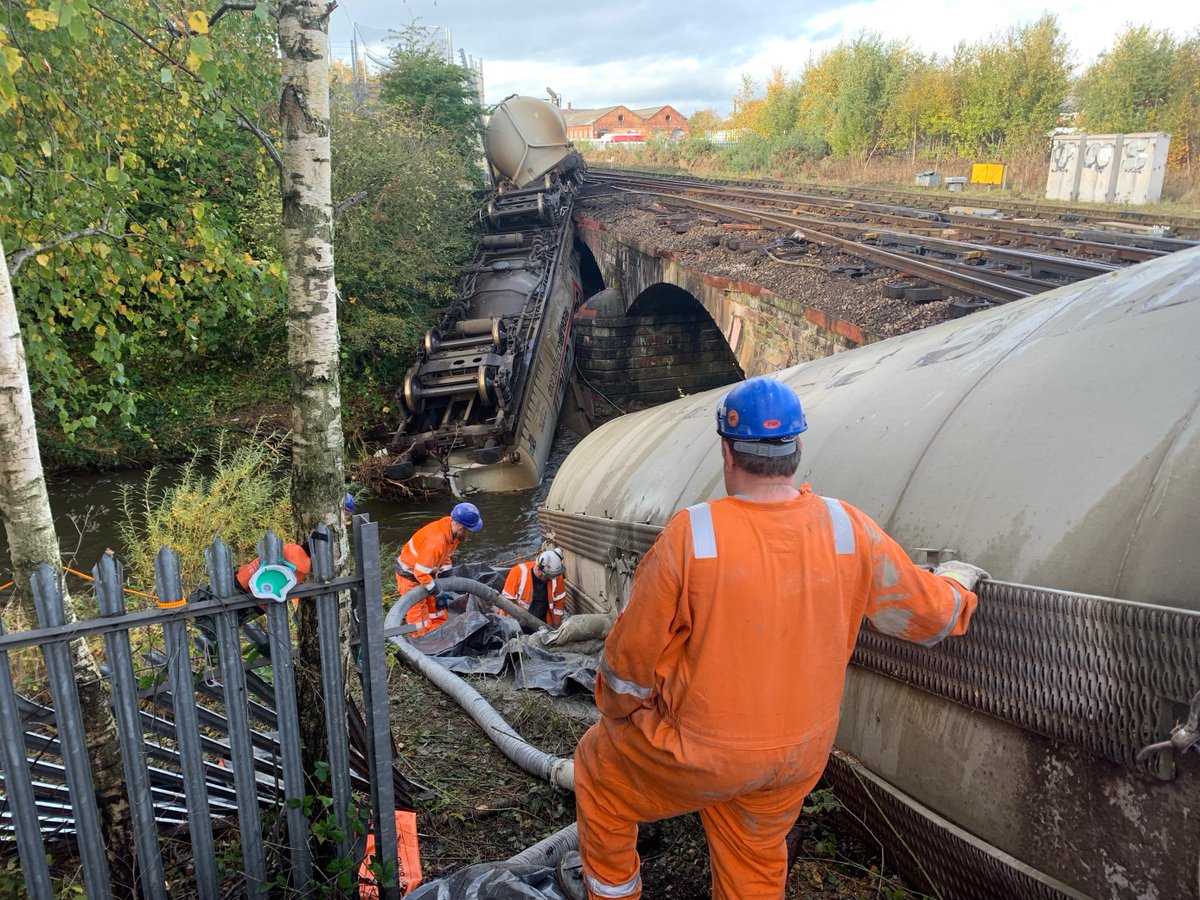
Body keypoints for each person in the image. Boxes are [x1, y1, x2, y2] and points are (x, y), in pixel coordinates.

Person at [559, 376, 987, 900]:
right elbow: (930, 618)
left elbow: (629, 661)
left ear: (727, 453)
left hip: (702, 751)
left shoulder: (693, 535)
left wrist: (618, 711)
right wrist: (958, 585)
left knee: (599, 779)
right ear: (798, 448)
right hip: (799, 751)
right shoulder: (846, 526)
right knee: (755, 851)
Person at [394, 502, 484, 635]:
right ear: (461, 527)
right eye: (470, 530)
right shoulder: (436, 541)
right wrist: (437, 591)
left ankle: (439, 636)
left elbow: (444, 556)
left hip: (428, 575)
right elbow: (420, 572)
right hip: (411, 578)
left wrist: (448, 578)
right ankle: (421, 645)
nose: (470, 533)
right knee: (419, 619)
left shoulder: (452, 533)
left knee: (438, 611)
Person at [501, 547, 567, 626]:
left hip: (544, 622)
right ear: (539, 570)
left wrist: (556, 626)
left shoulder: (556, 576)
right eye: (548, 576)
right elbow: (505, 602)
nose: (551, 579)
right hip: (520, 621)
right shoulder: (518, 572)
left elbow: (559, 604)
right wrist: (508, 626)